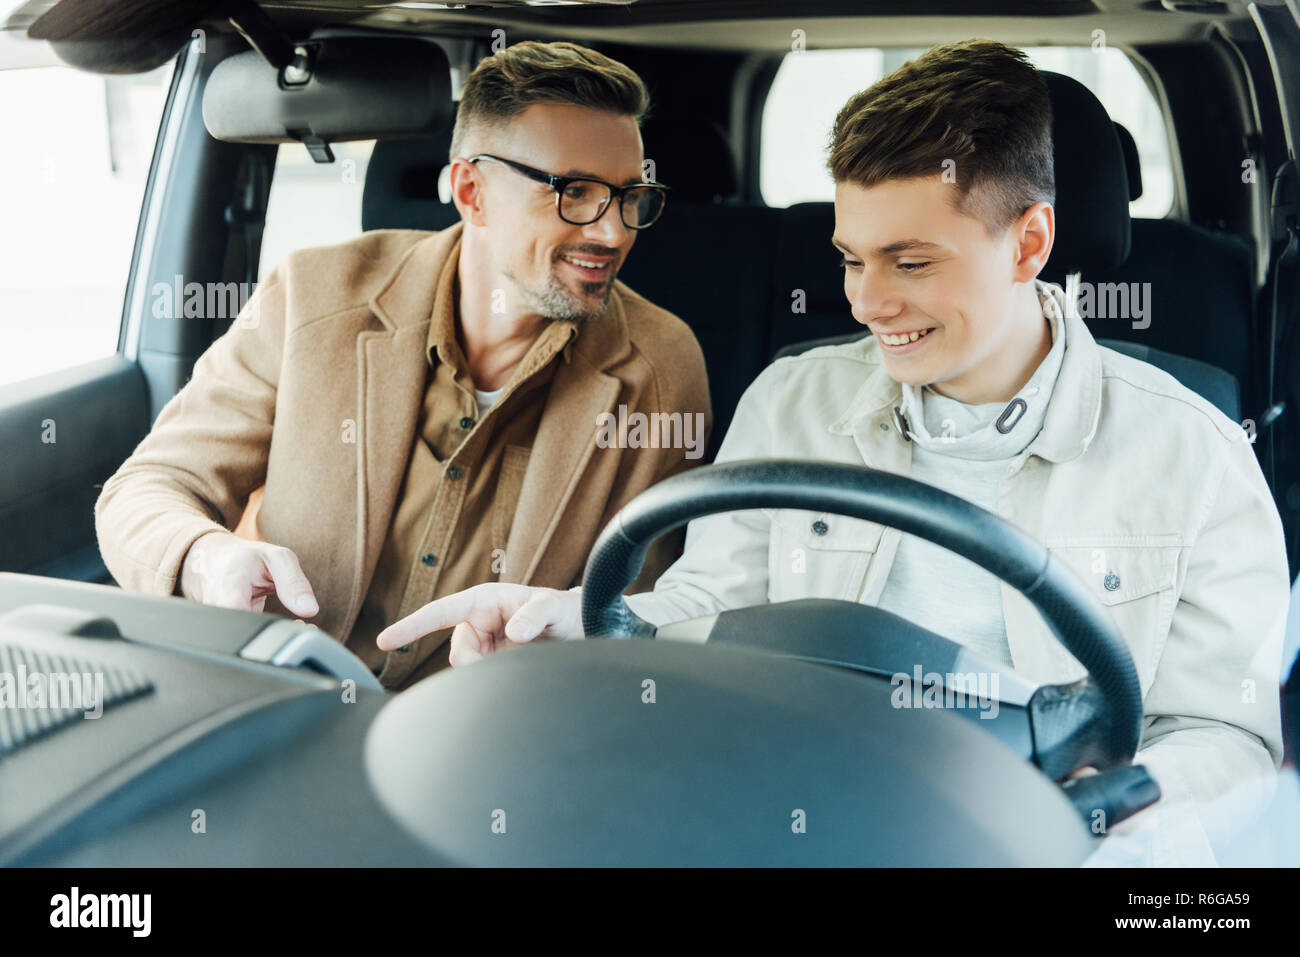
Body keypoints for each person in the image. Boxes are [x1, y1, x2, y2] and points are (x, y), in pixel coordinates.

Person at [377, 40, 1289, 864]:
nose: (868, 301)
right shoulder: (792, 399)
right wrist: (576, 619)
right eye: (852, 259)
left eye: (911, 262)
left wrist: (1116, 825)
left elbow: (1225, 732)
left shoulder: (1195, 454)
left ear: (1030, 243)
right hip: (799, 818)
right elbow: (716, 607)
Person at [94, 40, 711, 691]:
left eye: (629, 196)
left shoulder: (660, 368)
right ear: (472, 191)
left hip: (497, 736)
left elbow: (638, 622)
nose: (613, 232)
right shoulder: (313, 296)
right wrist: (206, 557)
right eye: (576, 192)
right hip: (282, 701)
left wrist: (556, 663)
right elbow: (145, 489)